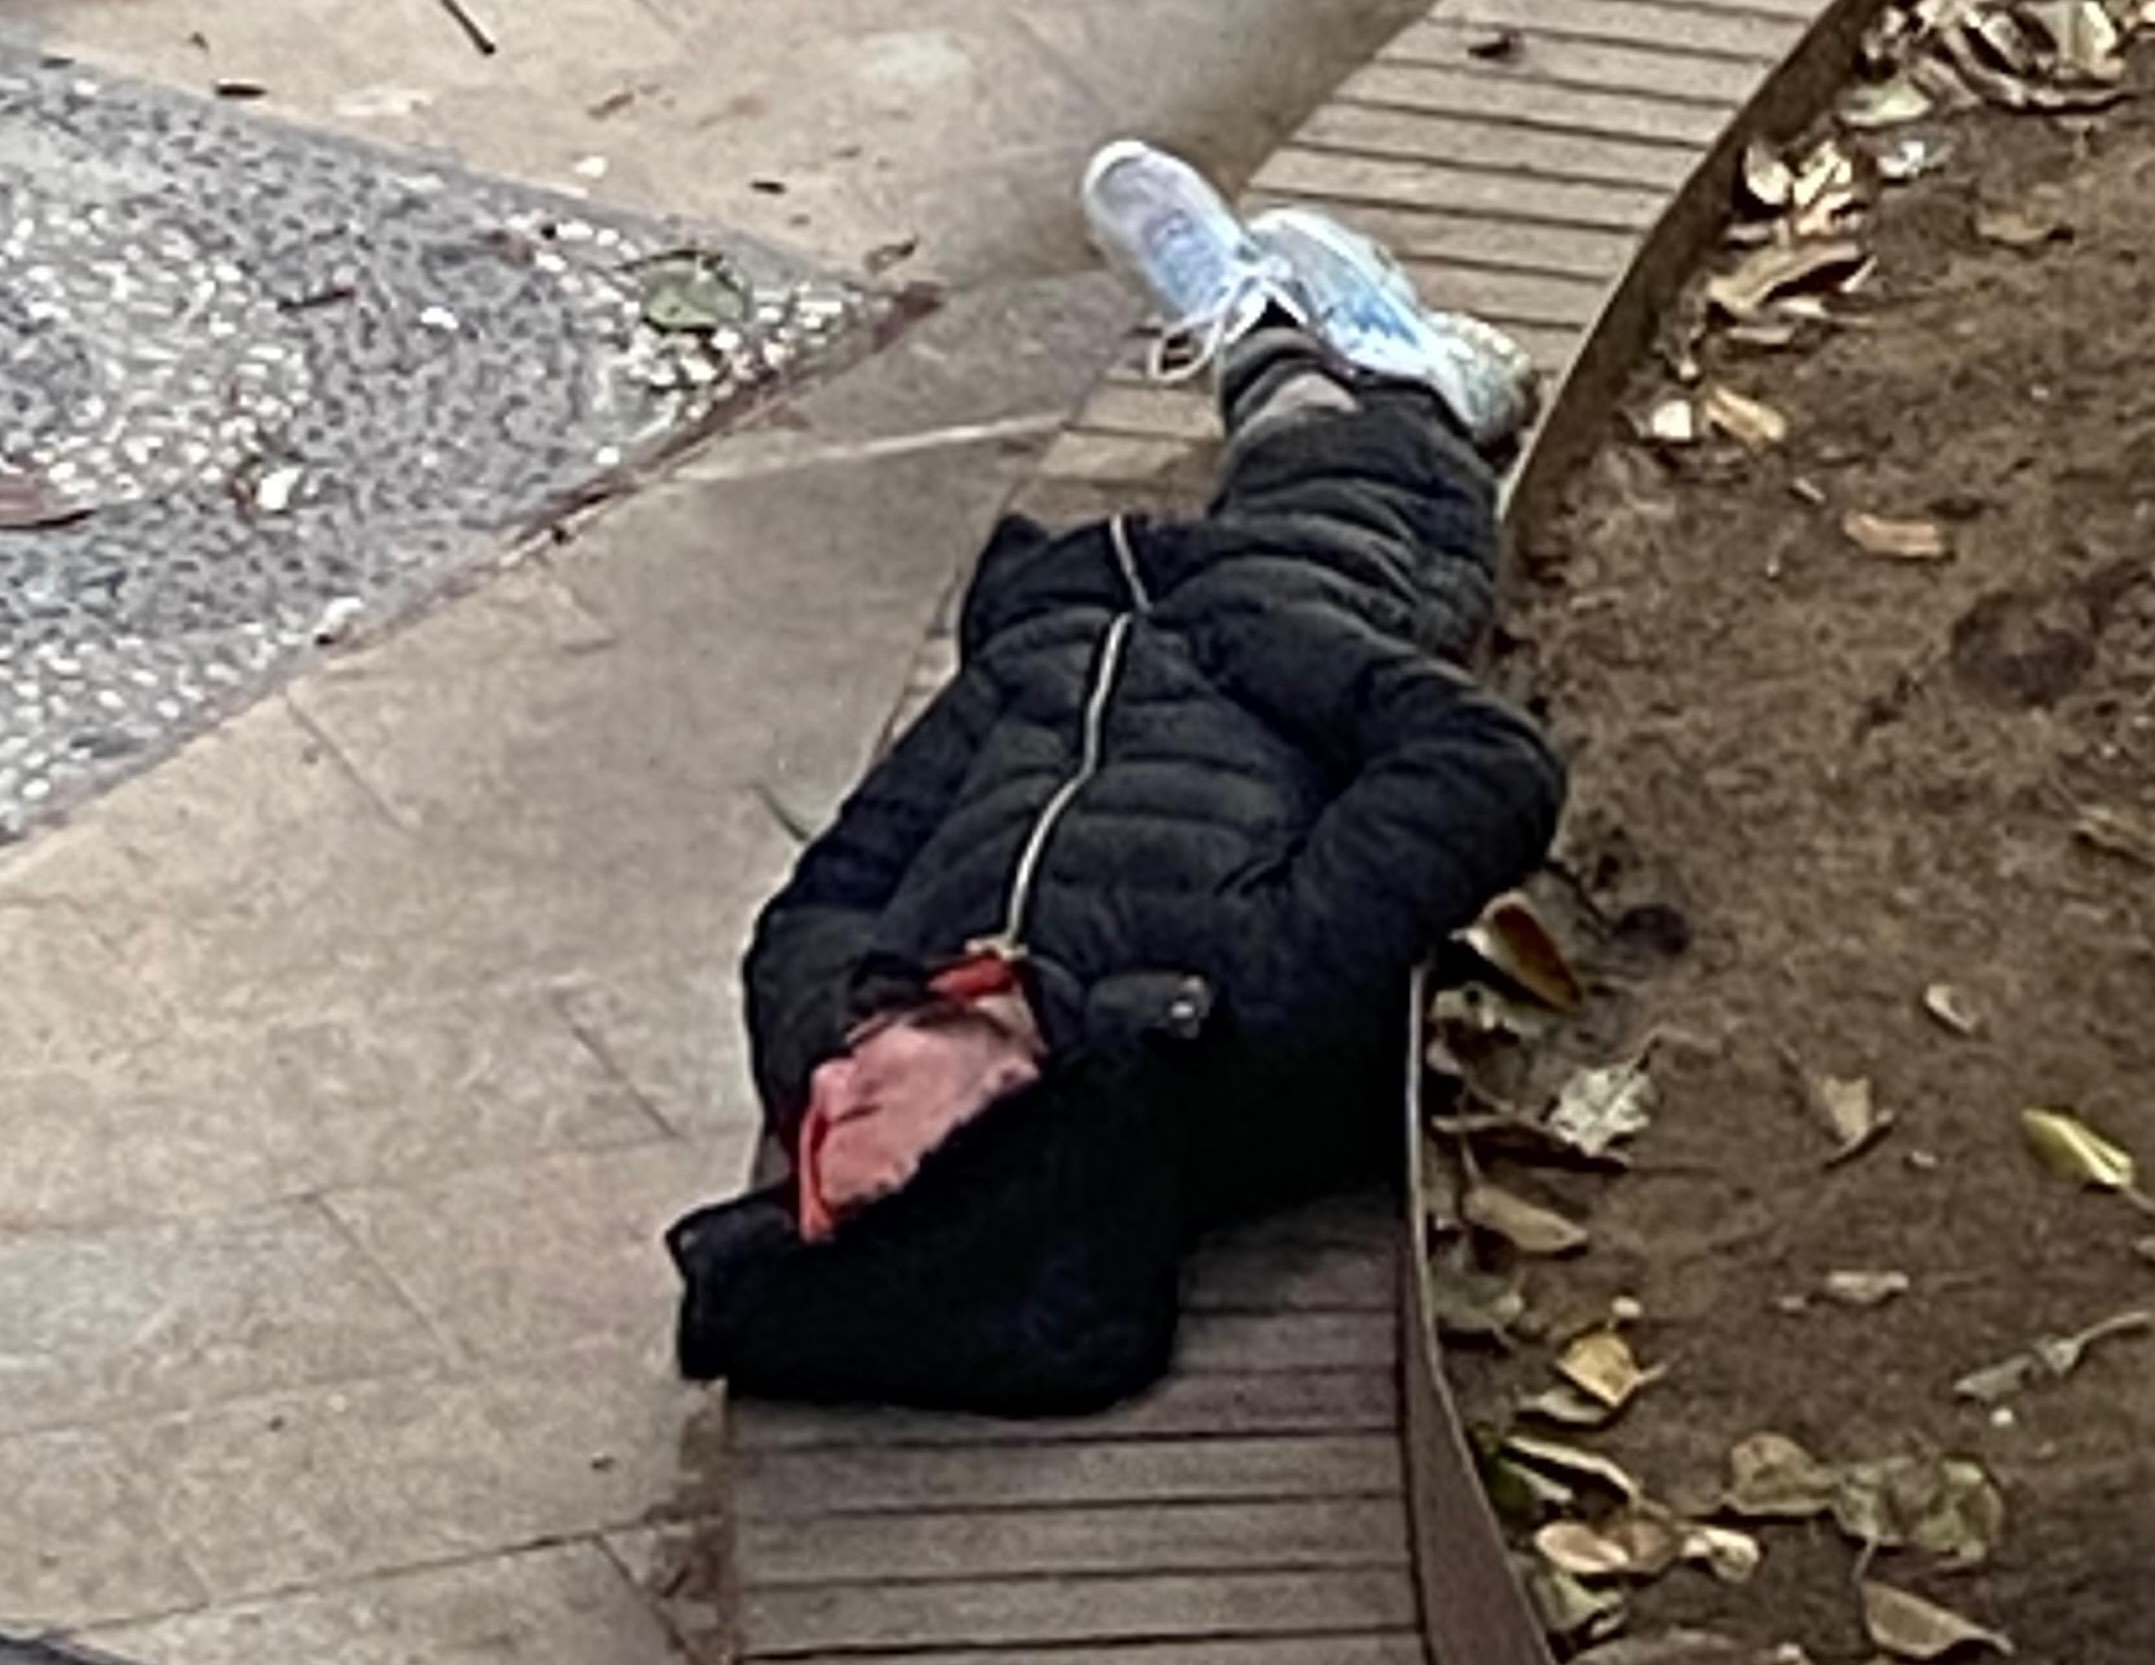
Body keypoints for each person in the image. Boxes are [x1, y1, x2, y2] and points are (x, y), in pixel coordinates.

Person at [666, 141, 1565, 1416]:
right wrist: (1234, 619)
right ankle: (1338, 358)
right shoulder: (1250, 995)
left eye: (810, 1126)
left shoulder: (851, 1017)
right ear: (1006, 1125)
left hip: (1095, 624)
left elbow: (827, 894)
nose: (821, 1087)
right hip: (1326, 607)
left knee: (1234, 496)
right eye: (859, 1132)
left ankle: (1290, 340)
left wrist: (1025, 667)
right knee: (1334, 476)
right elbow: (1482, 769)